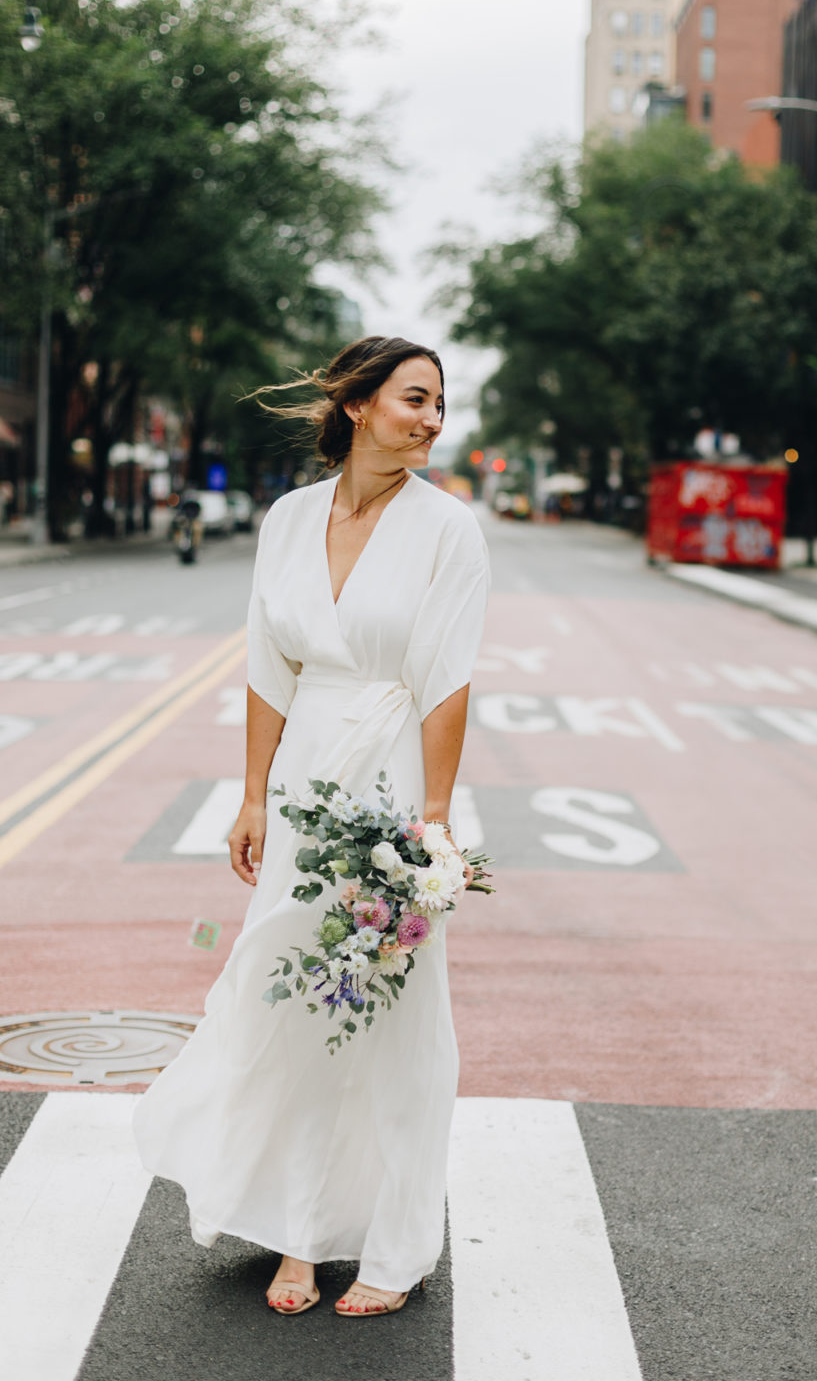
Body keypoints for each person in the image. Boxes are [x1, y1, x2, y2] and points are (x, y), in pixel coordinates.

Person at [133, 336, 489, 1318]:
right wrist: (252, 793)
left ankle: (393, 1240)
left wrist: (433, 821)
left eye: (438, 405)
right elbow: (265, 667)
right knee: (292, 998)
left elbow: (448, 680)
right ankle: (297, 1229)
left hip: (388, 777)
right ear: (359, 403)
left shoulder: (448, 528)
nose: (429, 419)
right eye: (413, 399)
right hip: (300, 787)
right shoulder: (288, 519)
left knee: (386, 1009)